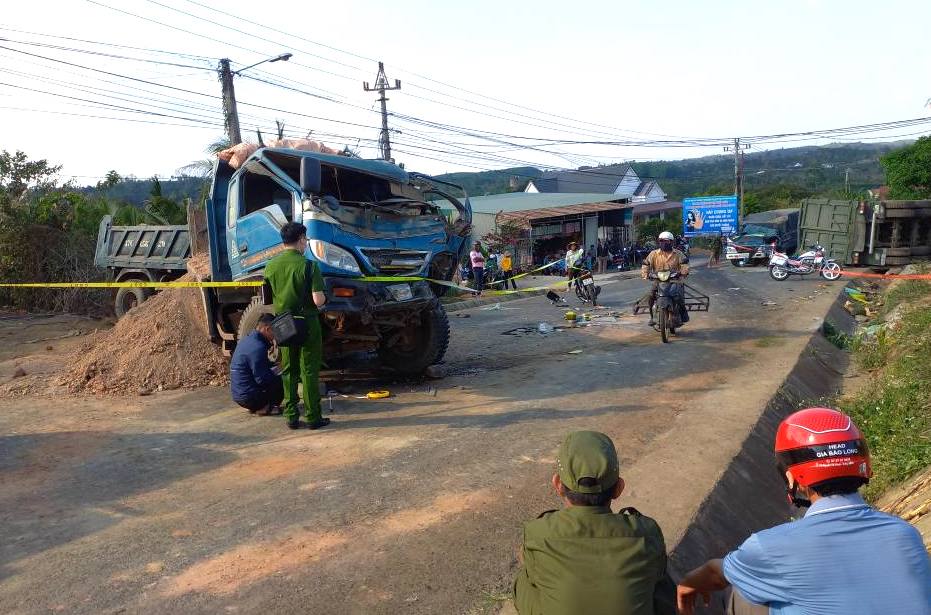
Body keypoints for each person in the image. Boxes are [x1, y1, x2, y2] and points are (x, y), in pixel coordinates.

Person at [676, 407, 931, 615]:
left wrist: (685, 586)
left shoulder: (770, 547)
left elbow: (716, 574)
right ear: (863, 464)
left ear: (791, 479)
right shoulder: (904, 534)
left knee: (744, 592)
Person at [513, 430, 675, 615]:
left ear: (558, 484)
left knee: (525, 578)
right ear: (619, 488)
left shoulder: (538, 533)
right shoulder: (646, 533)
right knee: (660, 581)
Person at [264, 222, 329, 431]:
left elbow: (267, 298)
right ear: (301, 239)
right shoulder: (309, 266)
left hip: (282, 322)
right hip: (307, 322)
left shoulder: (270, 266)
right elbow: (318, 300)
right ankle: (313, 417)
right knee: (308, 370)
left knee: (289, 369)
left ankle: (291, 416)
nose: (306, 243)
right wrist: (326, 299)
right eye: (306, 240)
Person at [229, 313, 283, 416]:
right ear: (267, 329)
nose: (275, 336)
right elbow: (262, 379)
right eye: (275, 332)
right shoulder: (258, 347)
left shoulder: (247, 340)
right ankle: (265, 407)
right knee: (280, 379)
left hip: (238, 395)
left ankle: (256, 406)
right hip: (248, 397)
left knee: (273, 372)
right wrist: (278, 372)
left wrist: (272, 366)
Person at [640, 231, 690, 327]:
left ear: (671, 242)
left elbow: (685, 265)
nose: (663, 243)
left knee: (679, 297)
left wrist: (683, 272)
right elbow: (645, 264)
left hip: (674, 280)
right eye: (661, 241)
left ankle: (683, 314)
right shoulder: (653, 254)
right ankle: (652, 316)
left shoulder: (678, 253)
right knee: (650, 296)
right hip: (658, 280)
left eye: (666, 241)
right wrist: (646, 274)